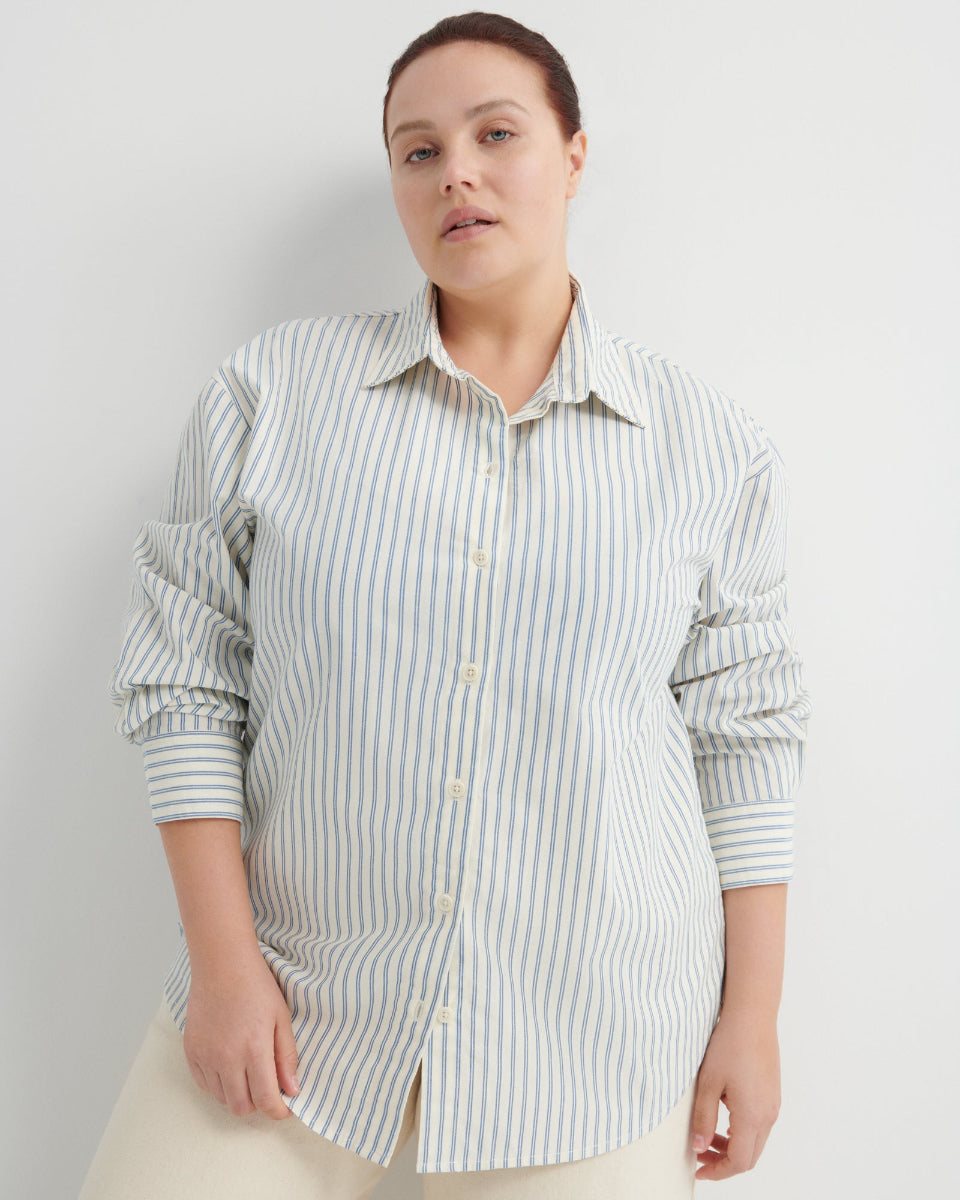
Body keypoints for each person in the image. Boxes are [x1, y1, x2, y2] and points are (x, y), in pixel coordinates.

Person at [82, 11, 811, 1199]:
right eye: (417, 150)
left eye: (496, 133)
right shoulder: (271, 394)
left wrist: (755, 1018)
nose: (456, 171)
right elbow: (183, 688)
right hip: (288, 1011)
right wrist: (223, 974)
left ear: (574, 156)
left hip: (593, 1040)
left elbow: (747, 741)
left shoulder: (710, 448)